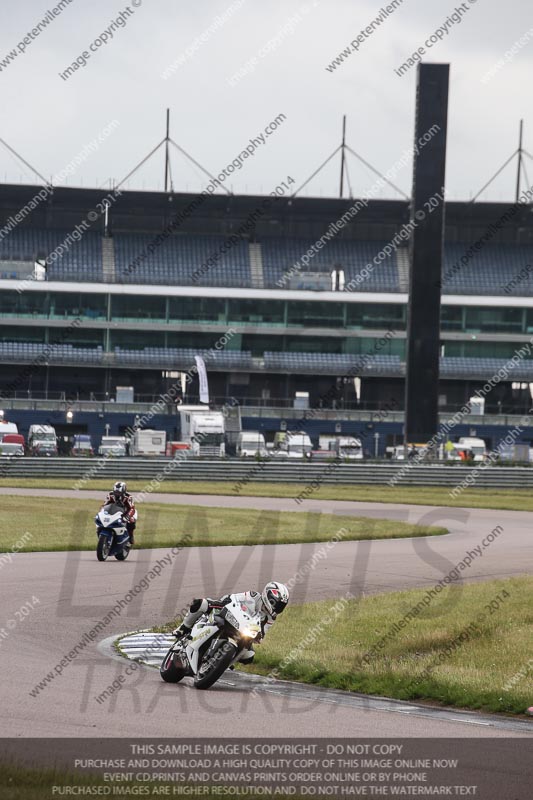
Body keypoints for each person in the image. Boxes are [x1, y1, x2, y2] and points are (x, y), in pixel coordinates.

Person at [173, 581, 290, 665]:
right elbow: (234, 599)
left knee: (249, 656)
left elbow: (263, 631)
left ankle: (224, 663)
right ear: (268, 596)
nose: (278, 607)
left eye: (281, 606)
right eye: (277, 603)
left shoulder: (271, 617)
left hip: (242, 630)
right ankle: (183, 627)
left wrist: (259, 636)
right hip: (228, 610)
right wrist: (223, 603)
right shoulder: (253, 596)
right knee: (200, 604)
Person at [103, 481, 137, 546]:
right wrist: (102, 513)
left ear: (123, 492)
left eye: (119, 493)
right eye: (115, 492)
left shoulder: (128, 497)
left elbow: (132, 509)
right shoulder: (110, 495)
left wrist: (127, 517)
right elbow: (104, 505)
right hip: (115, 511)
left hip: (126, 512)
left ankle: (131, 536)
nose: (117, 494)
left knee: (131, 521)